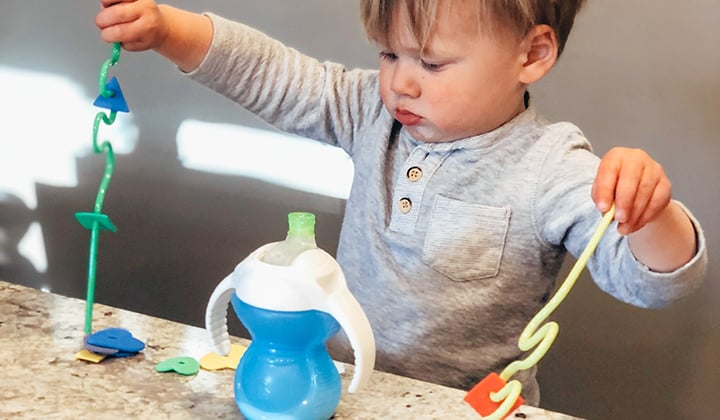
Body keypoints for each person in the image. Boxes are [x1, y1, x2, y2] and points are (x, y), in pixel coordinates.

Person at [96, 0, 707, 405]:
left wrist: (651, 215)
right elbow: (275, 76)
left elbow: (653, 284)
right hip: (342, 392)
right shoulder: (372, 112)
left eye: (432, 62)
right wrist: (170, 29)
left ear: (532, 55)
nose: (400, 82)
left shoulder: (553, 167)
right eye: (389, 54)